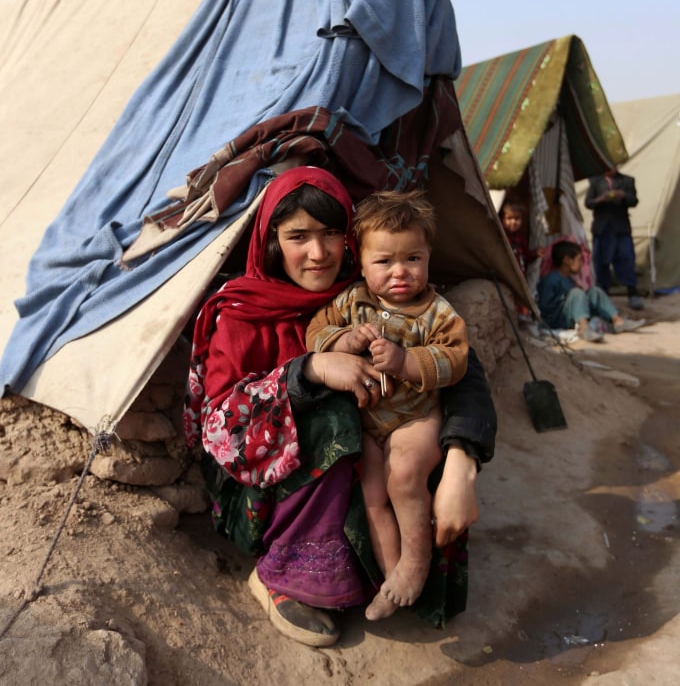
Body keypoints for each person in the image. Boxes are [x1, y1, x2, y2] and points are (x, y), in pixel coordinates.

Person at [183, 165, 497, 648]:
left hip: (363, 463)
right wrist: (306, 372)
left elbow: (459, 370)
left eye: (331, 233)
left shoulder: (372, 294)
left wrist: (462, 464)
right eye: (298, 236)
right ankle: (283, 573)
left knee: (415, 442)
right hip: (260, 488)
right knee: (337, 414)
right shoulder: (242, 312)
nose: (318, 252)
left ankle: (396, 576)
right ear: (270, 241)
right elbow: (218, 429)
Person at [306, 190, 468, 622]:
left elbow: (455, 359)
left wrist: (405, 361)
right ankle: (391, 577)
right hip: (370, 423)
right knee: (373, 494)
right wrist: (342, 341)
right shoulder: (353, 302)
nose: (400, 272)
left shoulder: (438, 312)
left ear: (429, 255)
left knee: (404, 479)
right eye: (384, 262)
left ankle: (416, 564)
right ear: (360, 262)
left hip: (416, 418)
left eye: (412, 259)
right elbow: (315, 331)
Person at [537, 239, 645, 342]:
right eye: (579, 260)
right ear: (567, 260)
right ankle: (584, 328)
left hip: (570, 314)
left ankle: (617, 321)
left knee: (594, 291)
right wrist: (570, 298)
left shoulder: (569, 280)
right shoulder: (551, 280)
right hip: (557, 320)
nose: (581, 264)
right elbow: (546, 307)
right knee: (577, 293)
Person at [584, 169, 644, 310]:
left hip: (620, 226)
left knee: (626, 258)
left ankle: (632, 291)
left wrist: (623, 195)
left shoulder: (627, 180)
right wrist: (601, 199)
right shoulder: (595, 181)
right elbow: (588, 203)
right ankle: (603, 295)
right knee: (601, 261)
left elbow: (634, 201)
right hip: (602, 227)